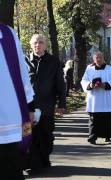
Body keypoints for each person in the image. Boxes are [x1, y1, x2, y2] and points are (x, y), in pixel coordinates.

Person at [25, 34, 66, 172]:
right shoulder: (24, 61)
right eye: (35, 43)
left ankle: (44, 159)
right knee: (28, 135)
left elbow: (60, 84)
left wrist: (62, 104)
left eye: (41, 42)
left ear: (45, 45)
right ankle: (31, 163)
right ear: (31, 45)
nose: (38, 45)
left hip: (47, 106)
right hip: (27, 107)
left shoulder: (53, 61)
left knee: (46, 135)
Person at [0, 23, 35, 180]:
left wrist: (30, 107)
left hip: (11, 116)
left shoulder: (8, 34)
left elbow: (22, 72)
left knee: (11, 166)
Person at [81, 51, 111, 144]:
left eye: (100, 57)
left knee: (107, 119)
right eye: (96, 58)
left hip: (106, 98)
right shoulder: (89, 69)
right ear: (94, 59)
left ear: (103, 58)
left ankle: (107, 135)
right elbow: (83, 80)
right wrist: (90, 85)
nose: (98, 59)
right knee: (93, 119)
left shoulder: (110, 69)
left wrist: (104, 85)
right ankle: (92, 137)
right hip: (94, 99)